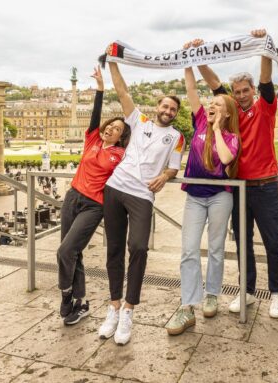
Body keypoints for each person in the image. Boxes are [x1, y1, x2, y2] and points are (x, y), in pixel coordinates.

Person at [190, 29, 278, 318]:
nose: (242, 95)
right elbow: (212, 83)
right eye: (238, 92)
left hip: (265, 185)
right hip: (238, 186)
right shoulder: (229, 112)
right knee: (243, 242)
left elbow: (267, 77)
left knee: (272, 241)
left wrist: (262, 45)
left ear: (254, 91)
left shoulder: (265, 108)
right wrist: (197, 56)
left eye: (246, 90)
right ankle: (247, 291)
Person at [98, 58, 184, 345]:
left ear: (175, 114)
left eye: (173, 109)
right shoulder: (140, 120)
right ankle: (112, 307)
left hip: (142, 195)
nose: (168, 111)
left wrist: (166, 174)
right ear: (157, 107)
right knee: (113, 249)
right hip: (115, 187)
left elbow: (174, 167)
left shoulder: (176, 137)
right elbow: (123, 92)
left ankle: (128, 310)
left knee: (138, 247)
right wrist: (112, 63)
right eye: (165, 106)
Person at [165, 66, 240, 336]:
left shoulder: (231, 137)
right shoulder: (198, 121)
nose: (211, 105)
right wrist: (189, 63)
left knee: (216, 249)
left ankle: (212, 294)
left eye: (218, 104)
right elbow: (191, 90)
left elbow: (226, 158)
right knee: (188, 250)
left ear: (228, 113)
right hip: (195, 197)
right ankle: (187, 305)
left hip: (220, 196)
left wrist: (217, 128)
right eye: (211, 103)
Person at [57, 66, 131, 326]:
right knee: (72, 252)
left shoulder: (120, 155)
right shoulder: (92, 140)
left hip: (94, 205)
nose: (112, 129)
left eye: (118, 129)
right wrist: (100, 89)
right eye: (111, 125)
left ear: (123, 137)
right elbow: (94, 116)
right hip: (72, 197)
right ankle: (80, 302)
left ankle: (65, 295)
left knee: (65, 250)